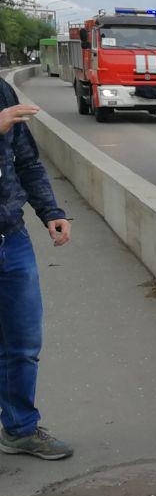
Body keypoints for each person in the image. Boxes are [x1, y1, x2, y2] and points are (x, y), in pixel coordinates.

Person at [0, 82, 74, 460]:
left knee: (23, 344)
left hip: (10, 237)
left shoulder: (1, 91)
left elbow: (26, 161)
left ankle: (19, 429)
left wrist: (52, 212)